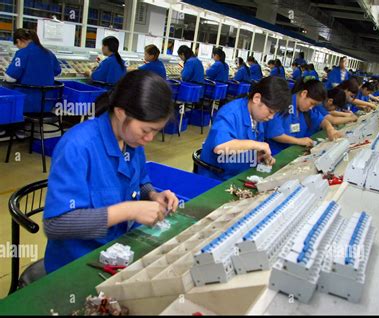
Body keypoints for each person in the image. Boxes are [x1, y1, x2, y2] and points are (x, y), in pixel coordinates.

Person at [43, 70, 179, 273]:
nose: (149, 139)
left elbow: (139, 181)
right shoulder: (78, 146)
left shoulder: (131, 142)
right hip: (77, 263)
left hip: (119, 251)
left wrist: (152, 194)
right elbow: (56, 224)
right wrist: (130, 210)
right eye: (146, 130)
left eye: (155, 131)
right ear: (121, 112)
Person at [199, 76, 291, 181]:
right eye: (270, 111)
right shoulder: (231, 113)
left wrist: (260, 156)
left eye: (275, 114)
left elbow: (248, 148)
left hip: (241, 172)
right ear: (257, 98)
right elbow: (220, 148)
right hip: (217, 177)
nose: (271, 117)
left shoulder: (257, 117)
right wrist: (257, 145)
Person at [264, 79, 341, 155]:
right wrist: (298, 141)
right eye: (312, 103)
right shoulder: (283, 103)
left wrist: (329, 128)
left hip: (295, 151)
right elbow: (274, 134)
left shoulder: (306, 110)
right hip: (277, 154)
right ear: (304, 93)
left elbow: (321, 120)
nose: (311, 107)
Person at [5, 28, 61, 114]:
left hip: (27, 103)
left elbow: (10, 78)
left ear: (19, 41)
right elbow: (58, 71)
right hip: (47, 104)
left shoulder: (23, 53)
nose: (18, 47)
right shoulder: (49, 53)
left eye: (17, 45)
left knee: (4, 86)